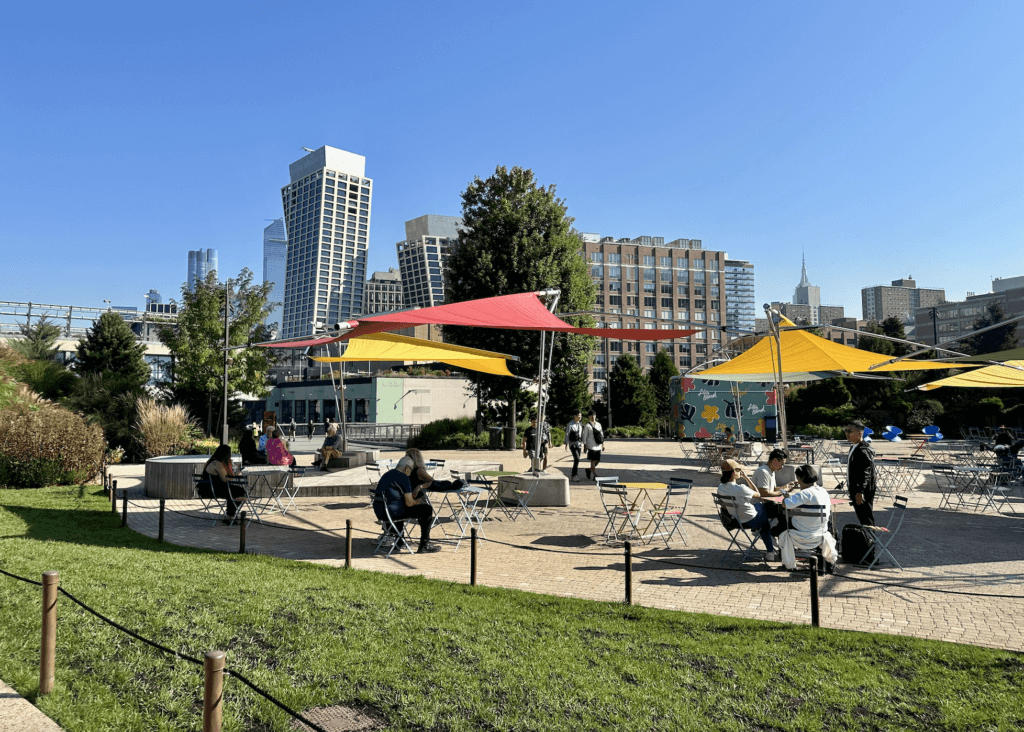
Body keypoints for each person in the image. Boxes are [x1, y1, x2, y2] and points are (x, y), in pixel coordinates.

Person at [372, 455, 441, 553]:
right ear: (407, 468)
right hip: (393, 513)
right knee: (426, 509)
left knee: (400, 507)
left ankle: (399, 541)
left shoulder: (386, 475)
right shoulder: (403, 478)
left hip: (381, 512)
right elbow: (410, 503)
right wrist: (419, 500)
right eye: (411, 470)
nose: (410, 473)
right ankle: (424, 544)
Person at [778, 464, 838, 571]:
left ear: (801, 479)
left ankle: (786, 560)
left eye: (798, 479)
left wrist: (786, 494)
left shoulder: (804, 494)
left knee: (782, 522)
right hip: (820, 532)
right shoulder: (824, 491)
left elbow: (785, 504)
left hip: (802, 532)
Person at [718, 458, 777, 561]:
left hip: (735, 521)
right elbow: (758, 494)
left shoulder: (720, 488)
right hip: (750, 520)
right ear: (733, 473)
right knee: (764, 519)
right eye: (738, 470)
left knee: (760, 513)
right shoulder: (741, 488)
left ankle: (769, 550)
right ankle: (770, 551)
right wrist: (746, 478)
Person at [198, 444, 246, 524]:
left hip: (207, 488)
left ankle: (230, 514)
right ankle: (230, 515)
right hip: (212, 489)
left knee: (236, 491)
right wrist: (235, 475)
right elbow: (225, 479)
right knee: (239, 492)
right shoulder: (217, 464)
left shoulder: (213, 461)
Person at [750, 447, 789, 536]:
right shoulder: (763, 472)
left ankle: (780, 534)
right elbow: (764, 493)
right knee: (785, 511)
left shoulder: (771, 471)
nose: (782, 467)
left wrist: (786, 487)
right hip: (759, 507)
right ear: (775, 460)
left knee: (787, 508)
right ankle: (776, 533)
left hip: (767, 504)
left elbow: (774, 490)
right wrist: (782, 491)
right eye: (782, 464)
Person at [845, 420, 876, 526]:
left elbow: (866, 472)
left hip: (862, 491)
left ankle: (871, 540)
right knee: (862, 518)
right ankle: (867, 539)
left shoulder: (863, 450)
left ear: (860, 433)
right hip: (856, 489)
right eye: (846, 430)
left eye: (850, 431)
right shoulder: (854, 447)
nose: (847, 433)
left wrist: (860, 491)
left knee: (866, 518)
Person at [582, 410, 604, 481]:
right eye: (591, 415)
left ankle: (589, 470)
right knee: (592, 460)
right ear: (589, 417)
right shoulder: (587, 426)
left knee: (597, 461)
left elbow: (601, 435)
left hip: (598, 445)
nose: (593, 417)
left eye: (594, 415)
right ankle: (595, 474)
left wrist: (602, 444)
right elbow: (585, 436)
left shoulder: (598, 424)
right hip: (590, 445)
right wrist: (585, 445)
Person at [564, 411, 584, 482]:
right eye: (578, 416)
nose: (580, 417)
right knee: (577, 459)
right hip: (573, 444)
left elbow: (582, 434)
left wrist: (584, 443)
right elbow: (567, 434)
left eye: (580, 416)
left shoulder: (580, 424)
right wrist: (566, 443)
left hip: (579, 444)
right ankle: (574, 475)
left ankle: (575, 474)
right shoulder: (570, 424)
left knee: (577, 460)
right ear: (574, 416)